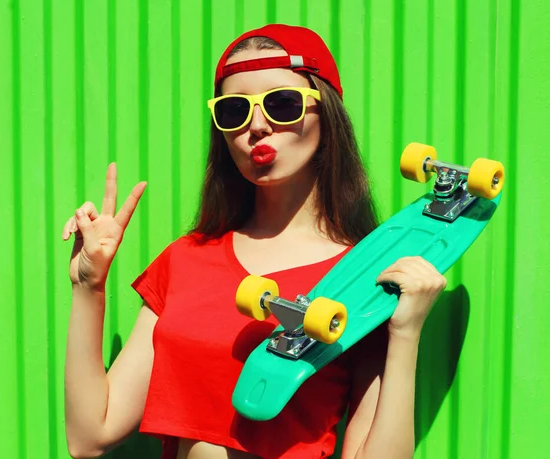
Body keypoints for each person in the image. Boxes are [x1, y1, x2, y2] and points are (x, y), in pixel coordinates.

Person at [62, 24, 447, 459]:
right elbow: (90, 436)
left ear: (328, 115)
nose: (257, 126)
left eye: (282, 105)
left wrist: (407, 332)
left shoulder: (362, 279)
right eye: (233, 112)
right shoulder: (185, 261)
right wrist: (87, 287)